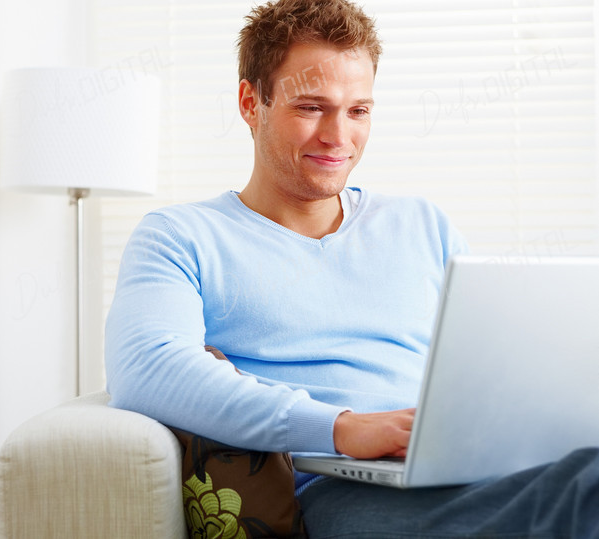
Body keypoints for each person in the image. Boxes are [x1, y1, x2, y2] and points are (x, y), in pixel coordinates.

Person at [104, 0, 599, 537]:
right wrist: (340, 428)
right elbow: (146, 368)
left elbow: (500, 366)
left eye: (358, 111)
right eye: (311, 107)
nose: (338, 136)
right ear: (251, 103)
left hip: (469, 470)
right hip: (339, 489)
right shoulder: (181, 236)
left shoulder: (422, 225)